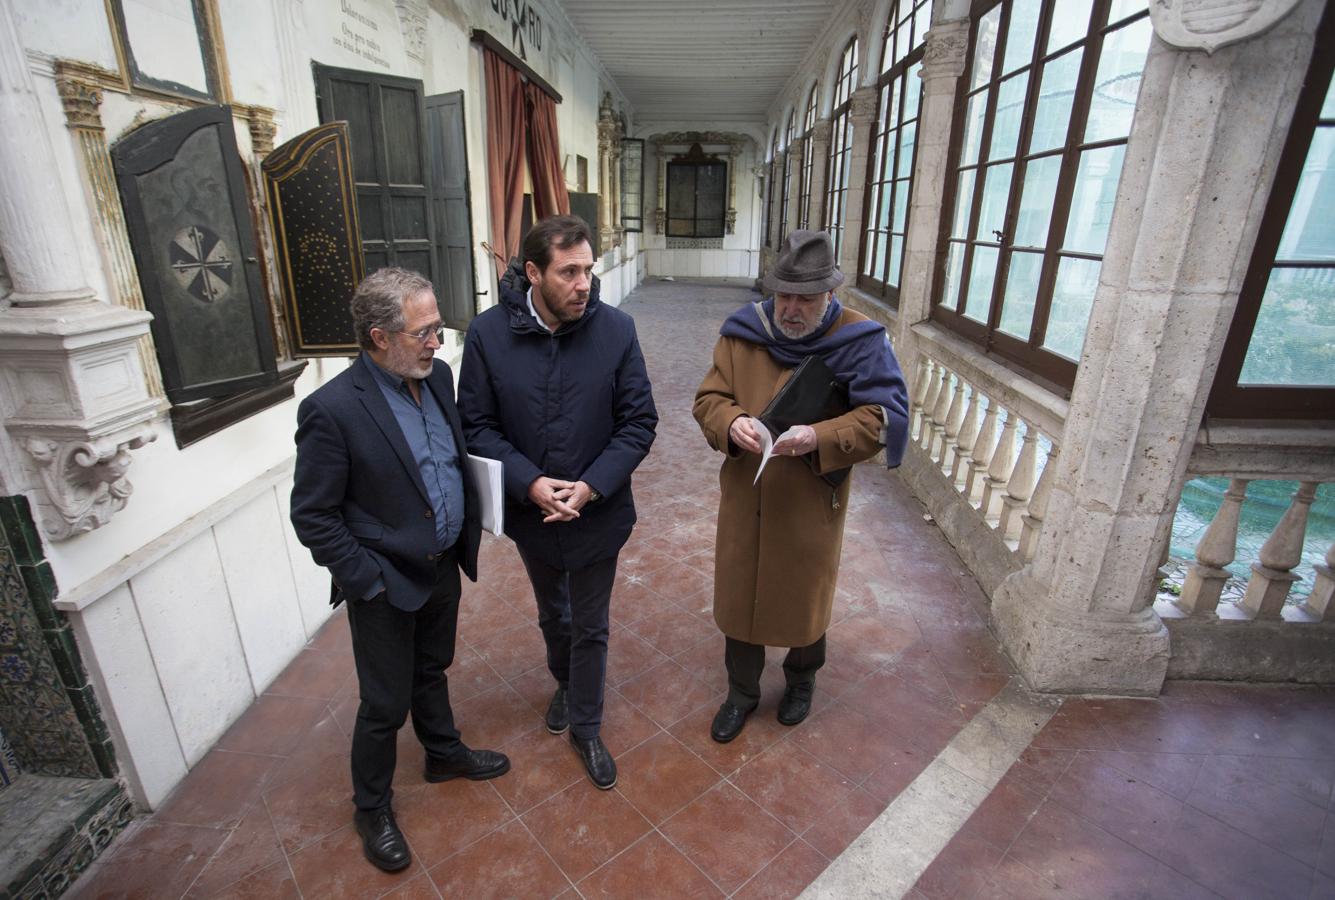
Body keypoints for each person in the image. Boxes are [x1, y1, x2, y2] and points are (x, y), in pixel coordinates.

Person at [290, 267, 510, 874]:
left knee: (433, 669)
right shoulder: (331, 410)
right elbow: (313, 515)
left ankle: (442, 754)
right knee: (383, 705)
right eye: (424, 332)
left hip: (441, 565)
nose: (437, 343)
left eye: (438, 328)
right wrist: (368, 580)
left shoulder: (436, 376)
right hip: (385, 581)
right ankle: (372, 808)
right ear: (379, 336)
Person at [458, 215, 657, 790]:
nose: (584, 284)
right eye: (568, 272)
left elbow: (638, 421)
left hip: (599, 509)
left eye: (588, 271)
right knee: (554, 614)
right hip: (533, 512)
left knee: (591, 622)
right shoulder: (489, 335)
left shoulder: (616, 331)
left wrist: (591, 485)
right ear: (532, 274)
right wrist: (530, 482)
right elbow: (476, 423)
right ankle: (566, 684)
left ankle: (587, 727)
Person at [692, 229, 909, 743]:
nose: (789, 310)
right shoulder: (742, 334)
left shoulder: (859, 342)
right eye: (783, 295)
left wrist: (820, 435)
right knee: (741, 593)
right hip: (748, 493)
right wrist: (731, 422)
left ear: (829, 295)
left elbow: (884, 419)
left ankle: (801, 680)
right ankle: (741, 692)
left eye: (804, 300)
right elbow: (708, 398)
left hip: (813, 499)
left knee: (805, 594)